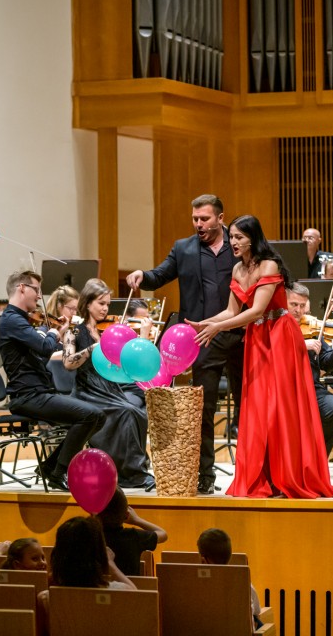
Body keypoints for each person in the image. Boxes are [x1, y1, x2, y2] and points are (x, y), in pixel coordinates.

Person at [187, 215, 333, 498]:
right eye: (231, 237)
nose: (233, 242)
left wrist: (218, 328)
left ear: (253, 238)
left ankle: (287, 475)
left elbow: (257, 310)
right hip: (258, 339)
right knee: (259, 406)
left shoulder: (269, 264)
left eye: (239, 237)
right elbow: (232, 311)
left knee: (281, 407)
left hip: (280, 336)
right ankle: (266, 477)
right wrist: (205, 323)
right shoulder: (238, 269)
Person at [126, 194, 243, 494]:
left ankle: (249, 473)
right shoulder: (184, 248)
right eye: (195, 219)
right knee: (204, 409)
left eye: (204, 218)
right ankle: (205, 474)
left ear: (220, 218)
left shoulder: (238, 244)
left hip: (239, 334)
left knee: (248, 407)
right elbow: (159, 275)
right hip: (202, 338)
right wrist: (142, 275)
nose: (198, 224)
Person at [0, 271, 106, 492]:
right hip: (28, 396)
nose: (39, 296)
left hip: (39, 392)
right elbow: (46, 347)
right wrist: (55, 331)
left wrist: (59, 332)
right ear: (21, 288)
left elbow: (42, 353)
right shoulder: (12, 320)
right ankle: (58, 473)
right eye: (36, 290)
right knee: (91, 415)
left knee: (97, 417)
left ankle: (50, 467)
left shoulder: (20, 320)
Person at [62, 278, 153, 489]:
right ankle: (132, 474)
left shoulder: (106, 331)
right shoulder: (74, 332)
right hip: (88, 391)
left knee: (138, 413)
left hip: (109, 388)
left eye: (108, 304)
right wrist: (91, 349)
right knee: (127, 412)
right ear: (87, 303)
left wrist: (140, 338)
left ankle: (129, 469)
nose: (105, 308)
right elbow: (68, 362)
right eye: (101, 303)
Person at [286, 283, 333, 454]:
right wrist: (301, 345)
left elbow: (326, 363)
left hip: (311, 387)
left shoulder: (313, 330)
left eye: (302, 306)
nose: (298, 310)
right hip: (285, 390)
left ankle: (317, 457)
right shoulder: (275, 327)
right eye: (294, 305)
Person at [37, 516, 136, 635]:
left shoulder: (45, 599)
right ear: (100, 554)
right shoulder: (120, 592)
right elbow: (136, 597)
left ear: (57, 555)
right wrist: (110, 564)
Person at [196, 528, 261, 629]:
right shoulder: (243, 582)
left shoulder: (195, 587)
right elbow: (257, 612)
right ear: (229, 555)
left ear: (203, 560)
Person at [97, 487, 167, 576]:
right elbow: (163, 534)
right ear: (126, 515)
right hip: (128, 585)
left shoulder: (88, 537)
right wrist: (137, 520)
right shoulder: (135, 536)